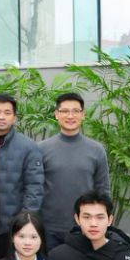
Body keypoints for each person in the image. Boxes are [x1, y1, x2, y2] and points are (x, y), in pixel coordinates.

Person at [0, 93, 44, 260]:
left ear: (14, 118)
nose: (1, 117)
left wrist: (24, 222)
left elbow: (34, 188)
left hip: (11, 225)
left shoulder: (28, 147)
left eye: (7, 113)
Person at [40, 92, 111, 248]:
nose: (70, 116)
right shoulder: (42, 149)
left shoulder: (96, 150)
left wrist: (101, 222)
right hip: (49, 228)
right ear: (56, 114)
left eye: (75, 111)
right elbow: (35, 188)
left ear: (83, 114)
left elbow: (103, 189)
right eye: (65, 111)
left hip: (85, 228)